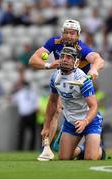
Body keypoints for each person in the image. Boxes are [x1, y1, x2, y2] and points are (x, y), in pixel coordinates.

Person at [29, 19, 105, 155]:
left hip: (80, 85)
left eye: (73, 33)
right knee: (56, 108)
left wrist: (94, 69)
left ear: (78, 35)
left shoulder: (81, 48)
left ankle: (92, 144)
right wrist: (48, 65)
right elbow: (33, 60)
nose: (69, 36)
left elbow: (98, 59)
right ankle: (47, 149)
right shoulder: (54, 42)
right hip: (63, 81)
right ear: (62, 33)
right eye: (67, 32)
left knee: (85, 109)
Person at [38, 46, 104, 160]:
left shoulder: (82, 79)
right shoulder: (55, 77)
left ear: (76, 62)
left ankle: (100, 151)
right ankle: (82, 149)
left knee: (91, 158)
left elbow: (94, 106)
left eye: (69, 57)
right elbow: (53, 102)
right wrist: (46, 126)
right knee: (64, 158)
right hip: (70, 121)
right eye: (62, 56)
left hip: (90, 120)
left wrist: (85, 121)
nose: (64, 59)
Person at [11, 81, 39, 151]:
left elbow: (37, 105)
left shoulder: (33, 93)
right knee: (21, 134)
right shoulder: (20, 93)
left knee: (32, 134)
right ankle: (20, 149)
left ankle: (31, 149)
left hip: (32, 115)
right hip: (23, 116)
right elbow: (12, 100)